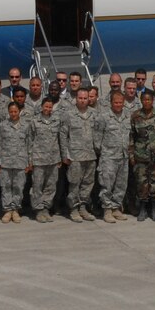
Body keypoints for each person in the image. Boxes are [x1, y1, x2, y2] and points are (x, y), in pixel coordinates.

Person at [130, 90, 155, 222]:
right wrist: (131, 155)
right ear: (141, 100)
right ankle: (142, 209)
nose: (146, 102)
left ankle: (153, 209)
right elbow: (132, 137)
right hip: (140, 156)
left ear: (152, 101)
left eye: (149, 100)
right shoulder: (135, 116)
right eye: (144, 100)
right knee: (141, 183)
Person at [60, 88, 98, 222]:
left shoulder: (94, 114)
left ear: (89, 99)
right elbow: (63, 135)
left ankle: (83, 207)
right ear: (76, 99)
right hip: (74, 156)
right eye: (80, 98)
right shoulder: (68, 114)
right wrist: (65, 154)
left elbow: (98, 135)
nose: (82, 101)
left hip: (91, 155)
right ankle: (74, 208)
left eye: (85, 98)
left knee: (88, 183)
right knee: (74, 183)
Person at [95, 91, 132, 222]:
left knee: (121, 184)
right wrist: (105, 152)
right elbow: (97, 139)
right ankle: (107, 210)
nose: (118, 105)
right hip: (108, 157)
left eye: (120, 102)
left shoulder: (128, 116)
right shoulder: (103, 117)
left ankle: (116, 208)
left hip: (123, 156)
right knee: (107, 185)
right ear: (111, 103)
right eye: (116, 102)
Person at [30, 98, 62, 223]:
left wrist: (59, 156)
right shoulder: (34, 121)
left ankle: (45, 208)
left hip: (53, 158)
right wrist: (30, 159)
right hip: (38, 158)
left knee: (51, 185)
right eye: (46, 107)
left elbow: (59, 139)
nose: (48, 109)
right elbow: (30, 141)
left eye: (50, 107)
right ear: (41, 107)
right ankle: (38, 209)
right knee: (37, 185)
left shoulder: (56, 120)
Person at [0, 102, 29, 223]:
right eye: (11, 111)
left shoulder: (26, 126)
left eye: (15, 111)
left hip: (21, 161)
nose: (13, 114)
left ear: (19, 111)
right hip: (5, 162)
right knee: (5, 186)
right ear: (8, 112)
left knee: (18, 187)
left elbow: (29, 144)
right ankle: (7, 210)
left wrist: (28, 162)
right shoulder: (3, 125)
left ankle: (15, 209)